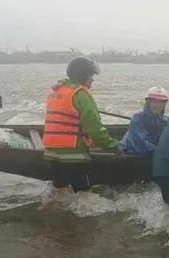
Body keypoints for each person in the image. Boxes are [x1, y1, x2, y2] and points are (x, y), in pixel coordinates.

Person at [42, 56, 123, 194]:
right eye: (91, 75)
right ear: (84, 76)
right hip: (73, 154)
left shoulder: (57, 89)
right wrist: (114, 146)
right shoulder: (81, 94)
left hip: (51, 153)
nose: (92, 79)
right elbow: (95, 130)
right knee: (83, 196)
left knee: (59, 191)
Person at [119, 86, 168, 158]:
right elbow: (142, 145)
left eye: (160, 102)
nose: (157, 105)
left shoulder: (165, 121)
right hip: (129, 152)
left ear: (164, 104)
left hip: (152, 154)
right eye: (154, 101)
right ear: (148, 102)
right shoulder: (137, 119)